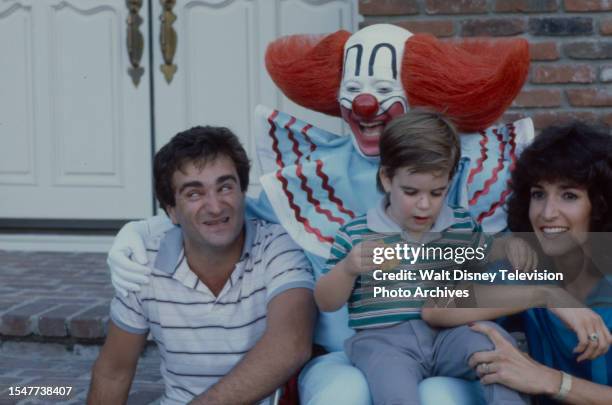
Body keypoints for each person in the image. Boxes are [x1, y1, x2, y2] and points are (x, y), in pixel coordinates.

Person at [106, 24, 534, 405]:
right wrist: (140, 229)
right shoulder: (316, 176)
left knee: (441, 395)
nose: (365, 103)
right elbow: (227, 214)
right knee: (343, 395)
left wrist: (557, 289)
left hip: (443, 343)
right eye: (355, 86)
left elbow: (519, 252)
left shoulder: (455, 165)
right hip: (355, 351)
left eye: (383, 88)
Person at [314, 110, 530, 405]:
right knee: (395, 390)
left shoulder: (461, 227)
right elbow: (326, 301)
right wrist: (349, 268)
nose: (425, 205)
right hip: (383, 342)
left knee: (494, 345)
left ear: (450, 183)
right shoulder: (357, 233)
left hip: (448, 336)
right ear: (387, 178)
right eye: (411, 191)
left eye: (437, 192)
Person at [88, 126, 316, 405]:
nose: (216, 206)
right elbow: (113, 373)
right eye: (194, 194)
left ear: (243, 192)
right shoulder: (144, 261)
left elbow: (290, 345)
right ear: (171, 210)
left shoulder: (277, 246)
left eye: (225, 187)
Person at [424, 122, 612, 404]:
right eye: (538, 194)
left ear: (600, 205)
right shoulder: (529, 263)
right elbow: (437, 307)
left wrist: (551, 380)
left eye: (569, 196)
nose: (547, 213)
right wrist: (545, 295)